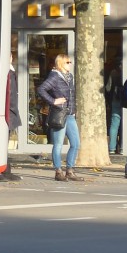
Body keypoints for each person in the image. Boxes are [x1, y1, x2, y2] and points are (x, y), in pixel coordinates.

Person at [37, 52, 81, 182]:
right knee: (58, 144)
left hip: (70, 114)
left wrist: (73, 109)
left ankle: (70, 170)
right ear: (60, 63)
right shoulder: (55, 76)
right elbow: (41, 89)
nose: (70, 64)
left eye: (70, 62)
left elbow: (72, 95)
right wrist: (53, 101)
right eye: (67, 62)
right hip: (59, 114)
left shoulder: (69, 76)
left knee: (76, 143)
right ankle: (58, 171)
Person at [0, 52, 22, 182]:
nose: (11, 58)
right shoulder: (6, 73)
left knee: (5, 143)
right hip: (6, 112)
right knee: (1, 143)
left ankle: (5, 170)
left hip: (9, 112)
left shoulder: (10, 72)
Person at [105, 57, 126, 155]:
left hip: (115, 100)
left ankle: (112, 148)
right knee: (125, 124)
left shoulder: (113, 72)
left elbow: (108, 88)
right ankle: (122, 147)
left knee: (114, 124)